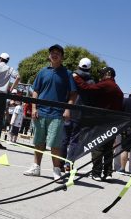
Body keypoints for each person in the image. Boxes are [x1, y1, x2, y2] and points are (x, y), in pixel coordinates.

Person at [23, 44, 77, 181]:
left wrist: (68, 109)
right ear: (49, 56)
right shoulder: (42, 72)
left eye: (58, 53)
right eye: (52, 52)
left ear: (62, 57)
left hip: (57, 114)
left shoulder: (67, 74)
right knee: (38, 141)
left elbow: (73, 94)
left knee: (55, 144)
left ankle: (56, 170)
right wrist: (34, 108)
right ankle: (36, 167)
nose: (54, 54)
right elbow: (35, 91)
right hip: (40, 112)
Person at [73, 66, 124, 181]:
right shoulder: (118, 89)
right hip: (113, 123)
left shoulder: (107, 84)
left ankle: (96, 173)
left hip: (101, 122)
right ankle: (108, 172)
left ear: (108, 74)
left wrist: (76, 78)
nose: (100, 76)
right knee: (108, 149)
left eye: (102, 73)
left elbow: (87, 88)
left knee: (97, 147)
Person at [62, 57, 94, 172]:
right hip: (80, 114)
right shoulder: (91, 82)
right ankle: (69, 164)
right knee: (74, 140)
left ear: (79, 65)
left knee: (64, 138)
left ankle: (60, 162)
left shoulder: (72, 76)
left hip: (67, 110)